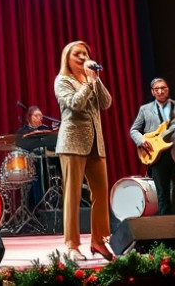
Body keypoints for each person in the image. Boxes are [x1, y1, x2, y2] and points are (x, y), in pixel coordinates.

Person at [53, 40, 113, 262]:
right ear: (67, 59)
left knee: (100, 193)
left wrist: (95, 81)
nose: (82, 57)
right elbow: (74, 105)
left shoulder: (91, 79)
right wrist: (88, 83)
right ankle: (71, 244)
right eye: (76, 54)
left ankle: (99, 241)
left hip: (96, 144)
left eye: (85, 53)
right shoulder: (62, 80)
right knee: (73, 194)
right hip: (72, 143)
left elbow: (106, 103)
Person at [129, 78, 175, 222]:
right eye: (157, 89)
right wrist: (142, 140)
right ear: (152, 92)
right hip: (157, 157)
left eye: (163, 88)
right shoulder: (145, 109)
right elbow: (134, 130)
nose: (160, 91)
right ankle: (165, 227)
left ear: (168, 89)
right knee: (162, 194)